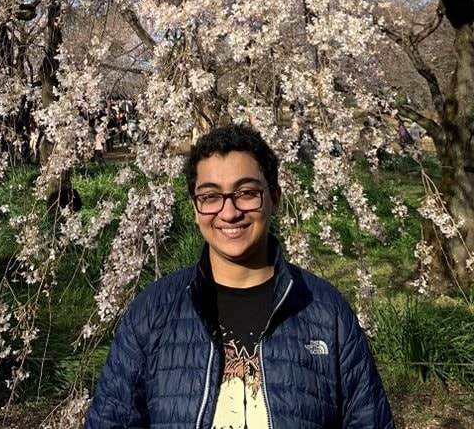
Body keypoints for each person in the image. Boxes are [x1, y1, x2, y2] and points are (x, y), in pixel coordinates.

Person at [85, 123, 395, 429]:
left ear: (274, 197)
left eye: (246, 193)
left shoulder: (326, 312)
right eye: (210, 197)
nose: (229, 212)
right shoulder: (153, 313)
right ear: (195, 208)